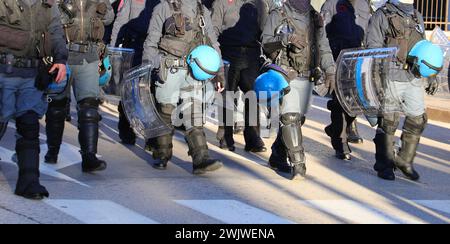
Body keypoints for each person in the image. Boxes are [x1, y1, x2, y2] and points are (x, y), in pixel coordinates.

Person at [142, 0, 224, 174]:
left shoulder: (202, 10)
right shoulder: (164, 7)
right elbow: (151, 40)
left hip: (194, 71)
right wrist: (147, 70)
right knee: (166, 111)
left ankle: (201, 158)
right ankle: (161, 154)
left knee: (194, 113)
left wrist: (219, 71)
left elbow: (212, 41)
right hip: (169, 67)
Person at [0, 0, 68, 199]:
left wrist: (61, 60)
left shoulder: (48, 3)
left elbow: (56, 32)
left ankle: (29, 183)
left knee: (29, 126)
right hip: (3, 71)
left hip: (31, 73)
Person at [262, 0, 336, 179]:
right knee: (290, 118)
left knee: (298, 120)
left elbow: (323, 47)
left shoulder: (315, 17)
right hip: (286, 74)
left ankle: (278, 155)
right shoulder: (279, 15)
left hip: (308, 76)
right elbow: (265, 43)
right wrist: (285, 40)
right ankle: (298, 165)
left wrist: (330, 71)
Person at [366, 0, 438, 181]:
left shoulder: (416, 15)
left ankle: (404, 160)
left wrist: (430, 74)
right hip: (390, 76)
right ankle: (385, 164)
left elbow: (423, 48)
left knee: (417, 119)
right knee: (389, 122)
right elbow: (372, 48)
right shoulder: (381, 15)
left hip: (413, 76)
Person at [44, 0, 114, 173]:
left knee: (89, 107)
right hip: (62, 54)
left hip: (88, 55)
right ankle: (53, 151)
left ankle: (89, 157)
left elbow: (109, 18)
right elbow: (46, 18)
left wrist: (103, 8)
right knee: (57, 106)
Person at [211, 0, 267, 152]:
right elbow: (213, 29)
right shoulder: (221, 3)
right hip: (227, 52)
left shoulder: (259, 3)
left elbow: (264, 28)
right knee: (227, 95)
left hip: (251, 53)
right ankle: (226, 136)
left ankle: (253, 138)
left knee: (253, 95)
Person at [321, 0, 370, 160]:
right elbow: (322, 35)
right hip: (337, 59)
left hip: (358, 60)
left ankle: (335, 129)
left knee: (357, 103)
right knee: (338, 103)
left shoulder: (364, 5)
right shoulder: (331, 4)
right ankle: (340, 143)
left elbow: (368, 32)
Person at [111, 0, 159, 145]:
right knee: (130, 92)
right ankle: (126, 129)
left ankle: (152, 138)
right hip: (134, 47)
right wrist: (113, 51)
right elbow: (120, 23)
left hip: (154, 49)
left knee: (152, 94)